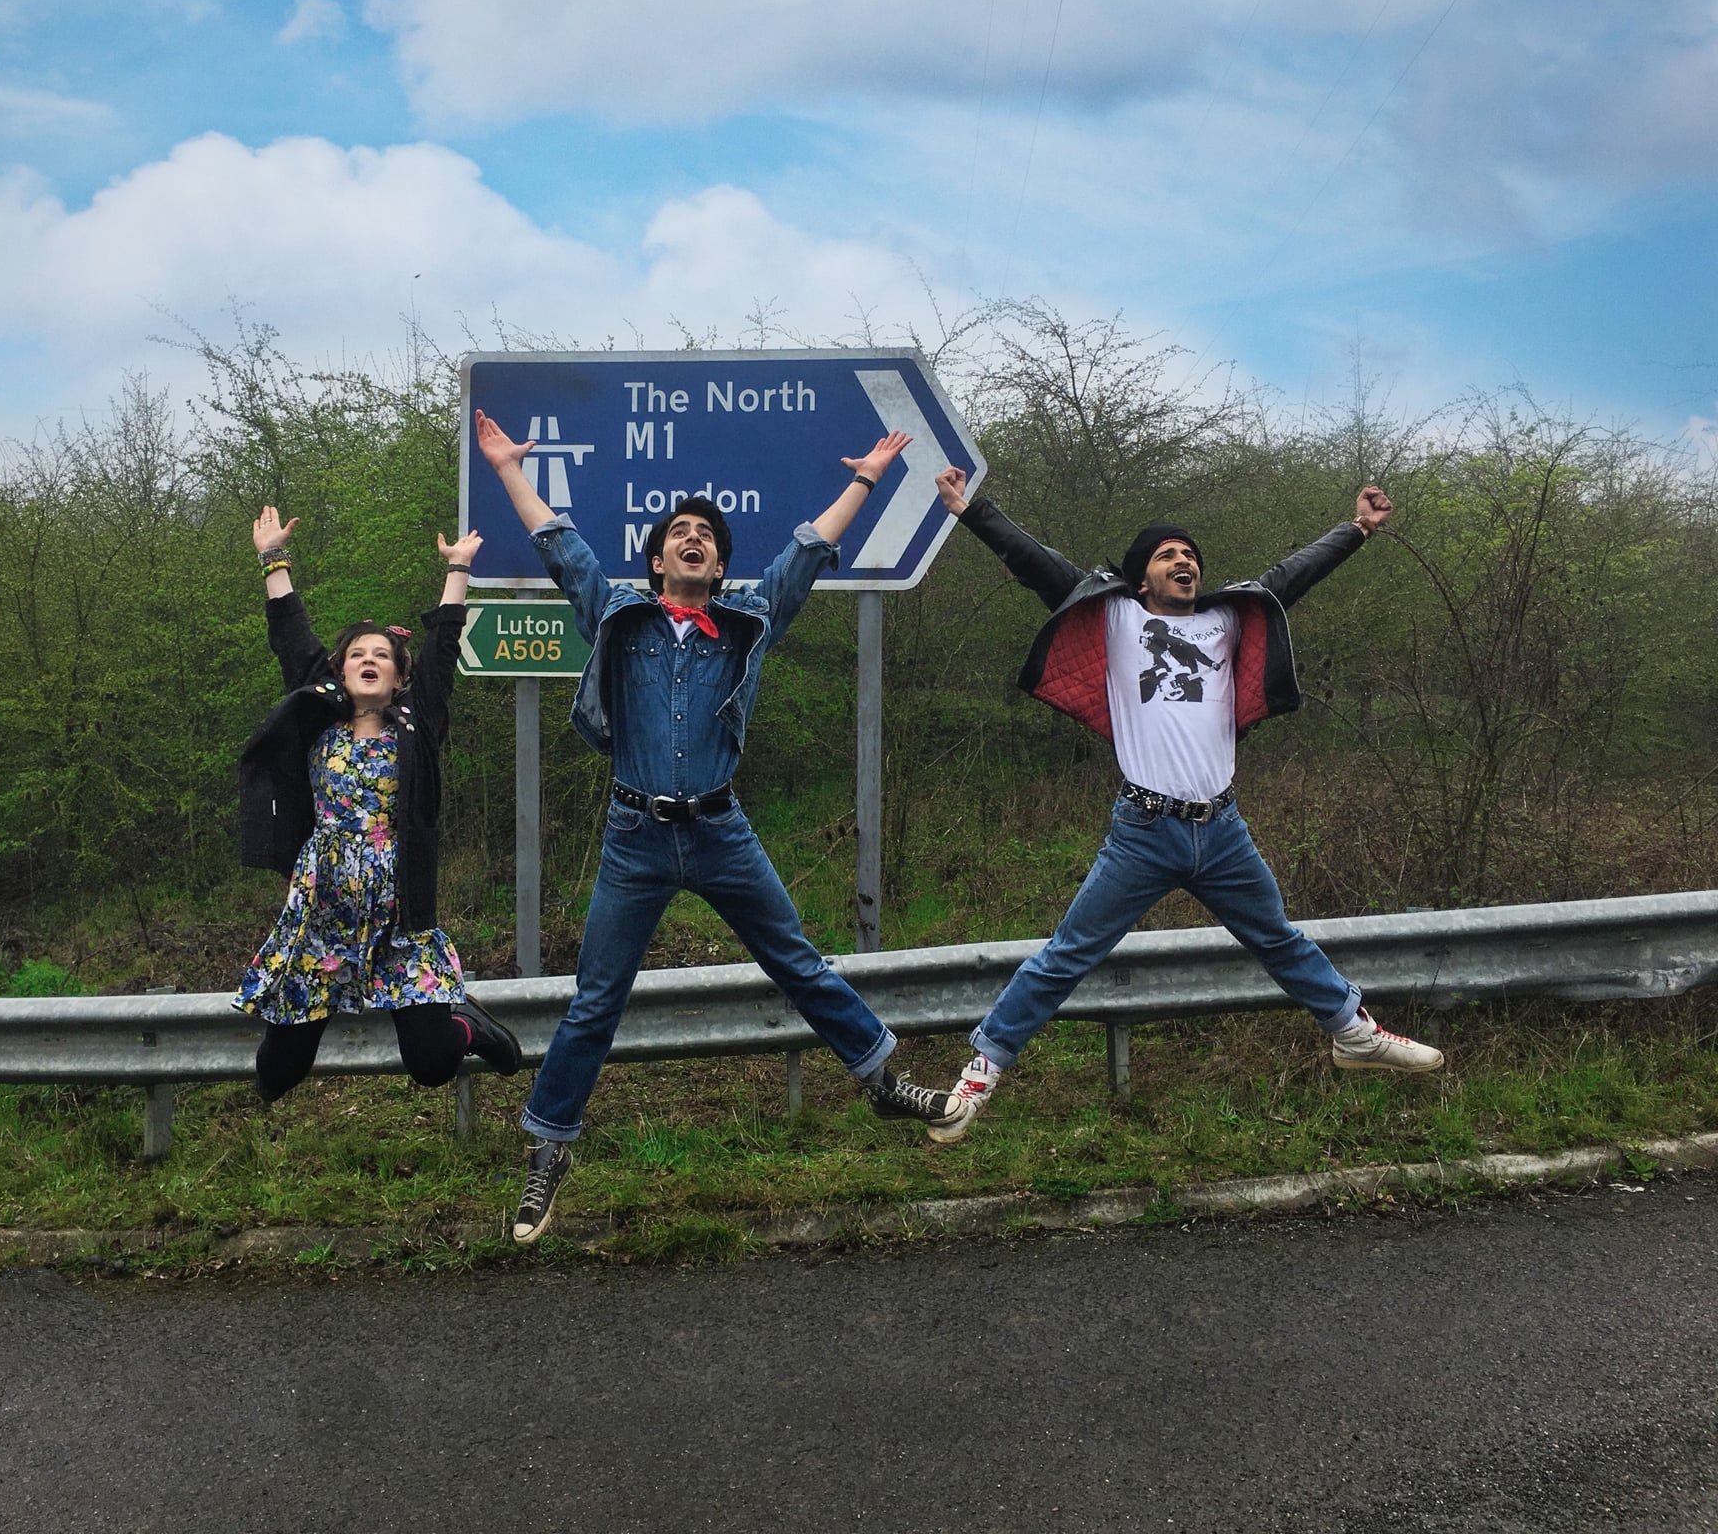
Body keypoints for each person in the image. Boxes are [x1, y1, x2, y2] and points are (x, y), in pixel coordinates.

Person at [474, 410, 960, 1242]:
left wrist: (867, 479)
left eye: (706, 535)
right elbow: (561, 546)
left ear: (720, 563)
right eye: (679, 534)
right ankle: (549, 1149)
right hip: (634, 837)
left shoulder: (747, 623)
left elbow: (805, 556)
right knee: (596, 1001)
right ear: (658, 559)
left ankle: (880, 1078)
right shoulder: (618, 618)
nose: (693, 539)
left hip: (720, 830)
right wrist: (510, 467)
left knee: (798, 961)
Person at [924, 469, 1444, 1144]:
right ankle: (979, 1077)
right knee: (1066, 957)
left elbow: (1291, 576)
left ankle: (1353, 1034)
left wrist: (1357, 530)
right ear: (1141, 579)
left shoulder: (1228, 620)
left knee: (1278, 938)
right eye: (1168, 555)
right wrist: (973, 511)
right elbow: (1040, 566)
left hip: (1222, 830)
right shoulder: (1116, 616)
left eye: (1190, 554)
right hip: (1142, 833)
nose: (1185, 560)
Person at [233, 506, 521, 1104]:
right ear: (339, 672)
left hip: (398, 913)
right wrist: (272, 560)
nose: (369, 660)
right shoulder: (317, 718)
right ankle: (291, 1048)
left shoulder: (418, 727)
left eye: (382, 656)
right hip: (321, 911)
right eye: (358, 654)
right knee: (275, 1074)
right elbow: (291, 637)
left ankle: (466, 1021)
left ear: (398, 677)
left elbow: (443, 650)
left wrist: (458, 569)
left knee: (433, 1064)